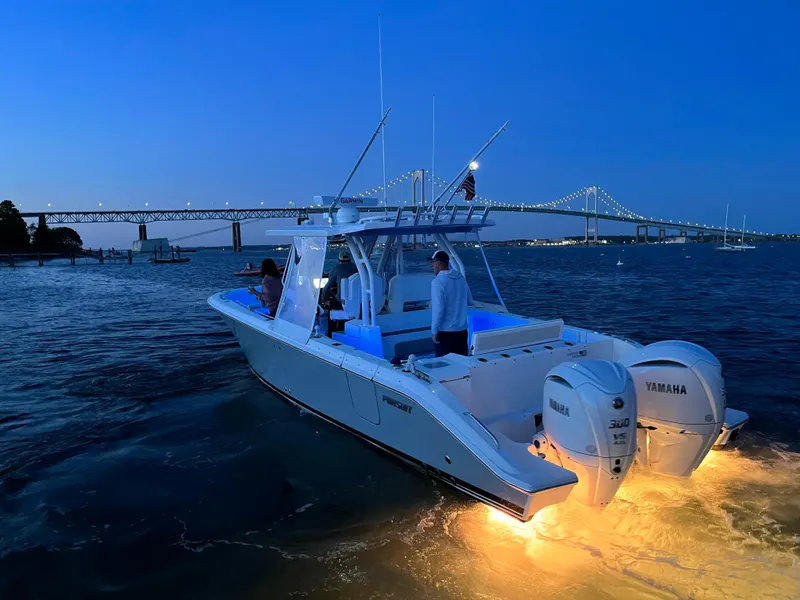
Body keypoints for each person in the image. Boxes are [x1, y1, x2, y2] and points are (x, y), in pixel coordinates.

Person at [429, 250, 471, 357]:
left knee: (445, 365)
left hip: (445, 333)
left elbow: (439, 310)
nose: (432, 265)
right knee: (462, 363)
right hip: (462, 331)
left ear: (438, 262)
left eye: (432, 262)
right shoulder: (461, 278)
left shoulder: (437, 282)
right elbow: (469, 300)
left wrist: (434, 331)